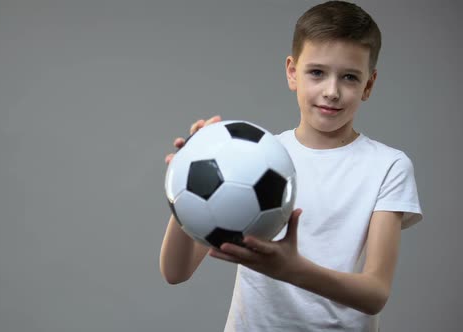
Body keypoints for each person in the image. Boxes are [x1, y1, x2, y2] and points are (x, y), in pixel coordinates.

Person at [159, 1, 423, 331]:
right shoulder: (249, 160)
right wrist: (187, 182)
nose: (332, 91)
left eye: (350, 78)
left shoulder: (388, 166)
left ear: (368, 85)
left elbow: (375, 293)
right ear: (292, 72)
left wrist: (291, 269)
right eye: (317, 72)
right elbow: (175, 272)